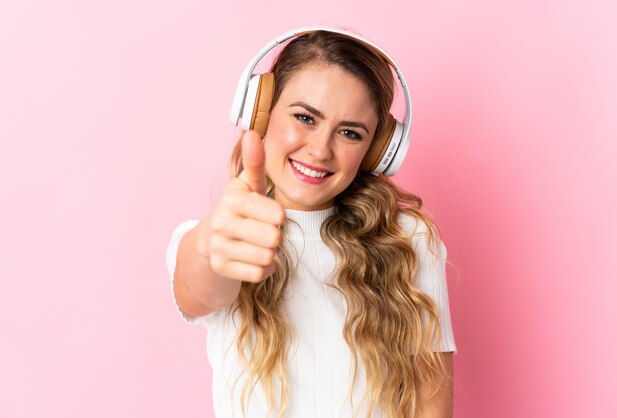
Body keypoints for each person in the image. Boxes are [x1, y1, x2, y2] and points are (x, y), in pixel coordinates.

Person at [166, 27, 457, 418]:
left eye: (350, 133)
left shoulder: (409, 240)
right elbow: (199, 282)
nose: (320, 150)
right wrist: (207, 247)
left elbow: (431, 401)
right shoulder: (222, 238)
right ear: (260, 111)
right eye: (305, 117)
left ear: (376, 152)